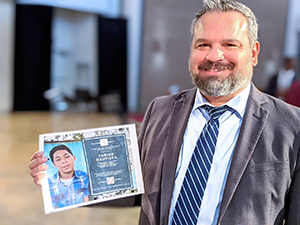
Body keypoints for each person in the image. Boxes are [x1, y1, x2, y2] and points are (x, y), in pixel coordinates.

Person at [30, 0, 300, 224]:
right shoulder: (160, 110)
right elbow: (134, 186)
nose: (214, 55)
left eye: (230, 45)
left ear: (253, 53)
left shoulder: (291, 126)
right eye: (203, 44)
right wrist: (56, 185)